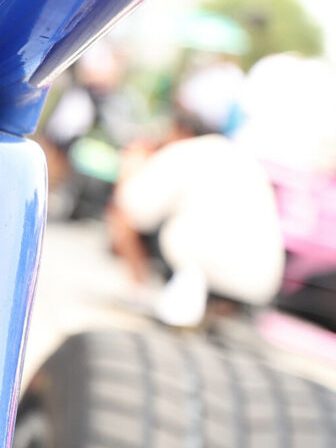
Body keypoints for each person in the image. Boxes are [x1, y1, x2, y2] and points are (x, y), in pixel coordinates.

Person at [106, 113, 285, 328]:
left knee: (125, 218)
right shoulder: (242, 158)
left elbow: (131, 206)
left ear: (181, 131)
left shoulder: (183, 151)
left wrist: (130, 168)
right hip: (261, 281)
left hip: (202, 270)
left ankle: (138, 294)